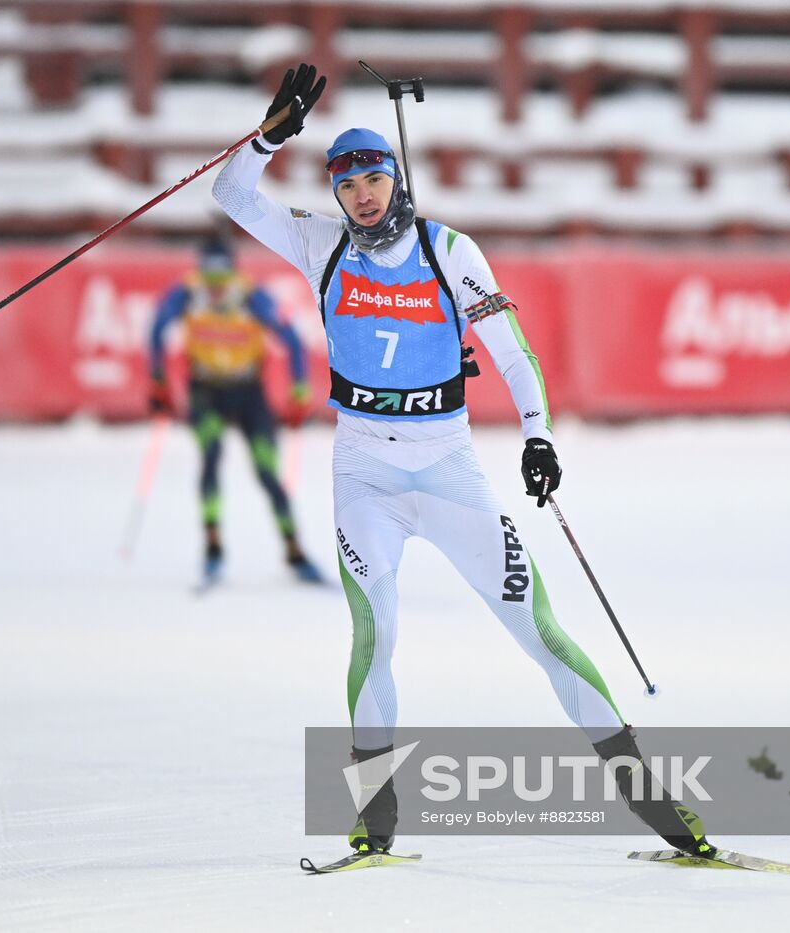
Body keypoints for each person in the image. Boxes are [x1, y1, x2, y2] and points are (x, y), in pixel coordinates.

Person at [212, 63, 713, 859]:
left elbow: (512, 356)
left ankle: (652, 802)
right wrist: (268, 138)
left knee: (540, 630)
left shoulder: (450, 252)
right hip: (364, 477)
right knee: (373, 634)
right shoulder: (319, 244)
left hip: (449, 473)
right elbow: (232, 197)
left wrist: (539, 435)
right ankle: (376, 818)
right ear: (337, 195)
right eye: (349, 186)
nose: (364, 196)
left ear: (395, 178)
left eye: (376, 178)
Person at [148, 236, 323, 586]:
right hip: (207, 392)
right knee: (211, 456)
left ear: (231, 271)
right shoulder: (187, 293)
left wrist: (300, 388)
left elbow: (291, 339)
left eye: (221, 276)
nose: (214, 286)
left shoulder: (248, 295)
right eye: (208, 276)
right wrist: (158, 381)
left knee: (267, 472)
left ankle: (294, 549)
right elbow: (156, 329)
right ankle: (213, 547)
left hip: (247, 393)